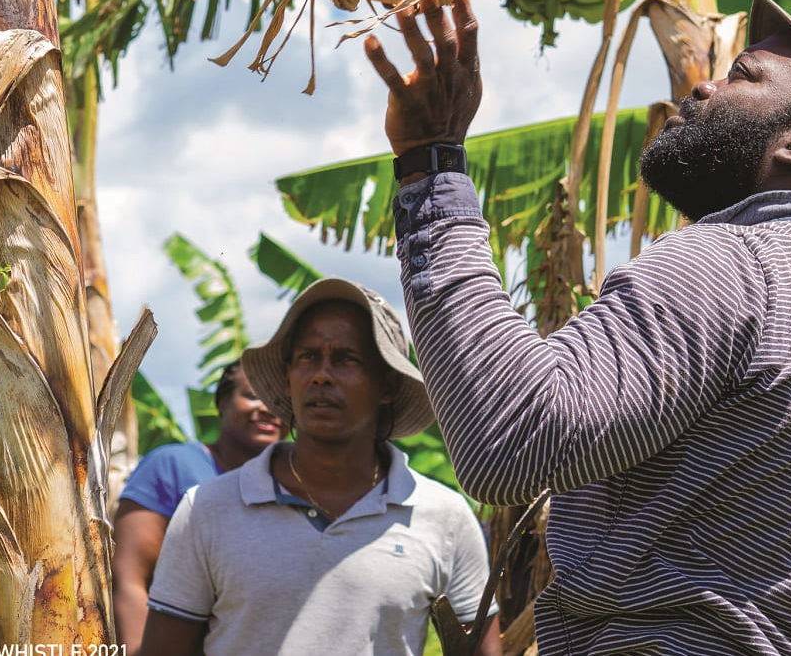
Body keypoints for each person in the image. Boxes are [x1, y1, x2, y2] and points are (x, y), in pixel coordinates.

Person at [364, 0, 791, 655]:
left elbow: (509, 438)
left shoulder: (736, 262)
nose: (702, 88)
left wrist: (431, 166)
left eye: (743, 77)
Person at [140, 278, 501, 655]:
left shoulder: (444, 517)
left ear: (387, 387)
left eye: (347, 359)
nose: (322, 375)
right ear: (287, 376)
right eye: (308, 357)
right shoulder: (207, 509)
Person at [112, 361, 283, 652]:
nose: (268, 408)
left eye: (280, 401)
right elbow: (130, 577)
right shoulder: (173, 466)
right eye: (253, 396)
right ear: (222, 402)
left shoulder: (291, 488)